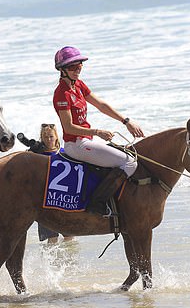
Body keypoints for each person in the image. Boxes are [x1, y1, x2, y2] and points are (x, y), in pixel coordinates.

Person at [52, 46, 145, 215]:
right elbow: (68, 127)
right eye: (72, 67)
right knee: (130, 162)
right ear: (62, 70)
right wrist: (97, 132)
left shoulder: (78, 85)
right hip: (76, 144)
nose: (77, 70)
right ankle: (97, 204)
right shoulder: (61, 94)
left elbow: (101, 105)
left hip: (87, 140)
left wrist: (126, 121)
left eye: (79, 66)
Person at [19, 123, 74, 244]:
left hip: (64, 201)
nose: (49, 140)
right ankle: (50, 264)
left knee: (69, 239)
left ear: (56, 137)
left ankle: (70, 263)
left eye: (51, 136)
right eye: (45, 137)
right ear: (41, 139)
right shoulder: (36, 154)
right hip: (44, 203)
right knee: (51, 240)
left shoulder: (64, 153)